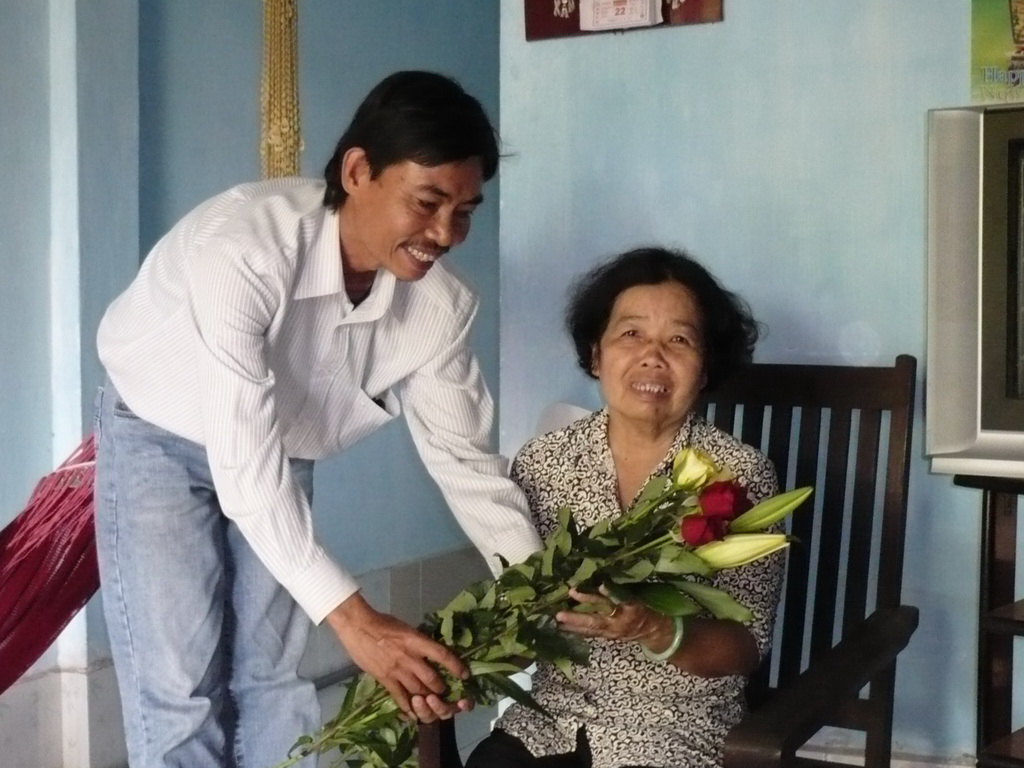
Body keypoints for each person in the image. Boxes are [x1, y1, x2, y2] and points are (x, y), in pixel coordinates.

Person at [93, 70, 542, 768]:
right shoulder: (244, 250)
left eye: (465, 211)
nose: (445, 234)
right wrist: (357, 622)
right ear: (358, 171)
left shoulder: (439, 308)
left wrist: (540, 588)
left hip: (278, 447)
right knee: (178, 689)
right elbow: (244, 469)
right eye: (427, 202)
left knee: (273, 676)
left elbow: (466, 464)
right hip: (157, 435)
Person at [462, 247, 784, 768]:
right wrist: (469, 659)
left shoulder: (738, 477)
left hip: (673, 730)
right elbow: (520, 612)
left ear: (705, 368)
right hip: (550, 721)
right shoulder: (543, 462)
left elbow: (745, 646)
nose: (652, 356)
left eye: (679, 340)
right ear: (596, 355)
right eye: (631, 333)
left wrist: (654, 627)